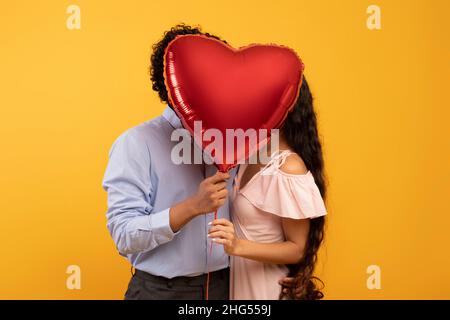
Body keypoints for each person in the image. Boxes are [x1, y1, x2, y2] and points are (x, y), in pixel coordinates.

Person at [102, 24, 233, 300]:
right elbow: (124, 235)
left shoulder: (233, 138)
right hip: (162, 291)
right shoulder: (136, 142)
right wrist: (192, 206)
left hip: (228, 286)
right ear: (170, 80)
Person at [209, 77, 328, 300]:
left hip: (268, 291)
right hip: (240, 289)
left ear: (287, 106)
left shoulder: (289, 167)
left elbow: (297, 248)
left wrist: (237, 245)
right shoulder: (248, 155)